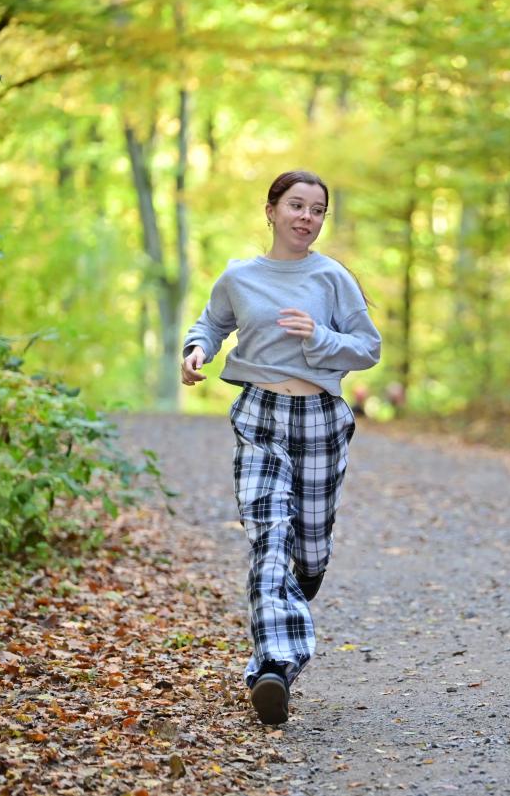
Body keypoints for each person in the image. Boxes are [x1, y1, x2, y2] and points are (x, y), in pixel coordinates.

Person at [180, 170, 381, 725]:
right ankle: (274, 665)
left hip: (320, 419)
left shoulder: (332, 278)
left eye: (317, 210)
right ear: (271, 210)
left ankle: (303, 579)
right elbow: (211, 324)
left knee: (308, 551)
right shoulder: (240, 276)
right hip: (260, 414)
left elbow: (368, 348)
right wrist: (196, 350)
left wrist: (318, 337)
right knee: (269, 535)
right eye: (296, 205)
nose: (306, 218)